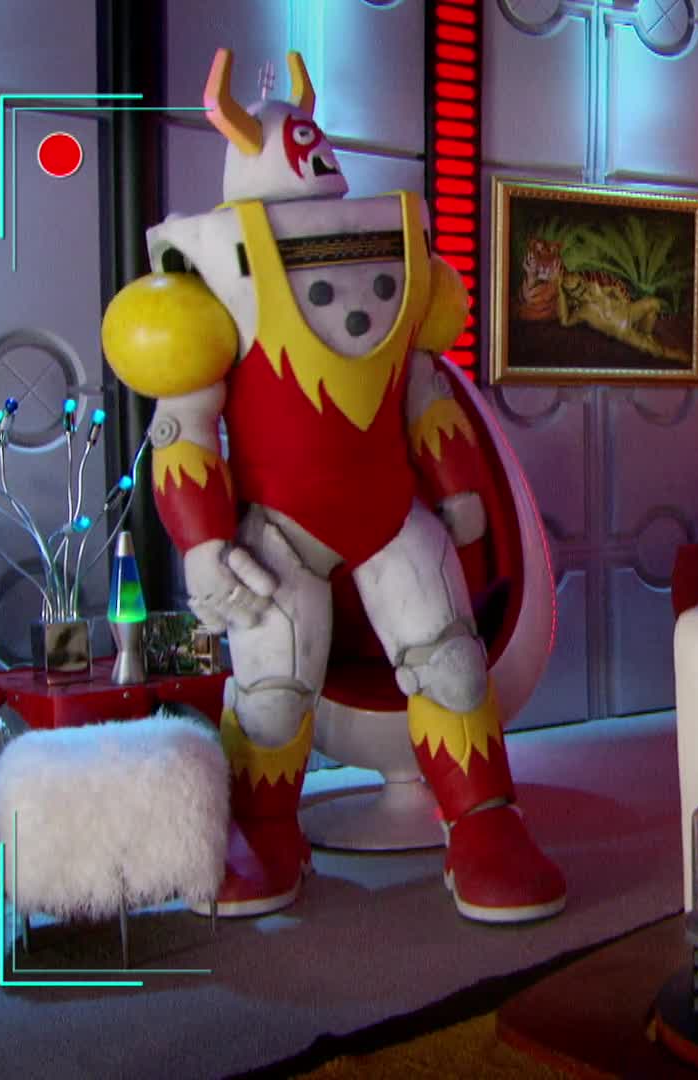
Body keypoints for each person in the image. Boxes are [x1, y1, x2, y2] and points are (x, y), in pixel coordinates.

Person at [100, 50, 565, 924]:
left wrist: (460, 494)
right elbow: (184, 426)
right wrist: (202, 545)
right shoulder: (210, 271)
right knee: (270, 691)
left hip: (390, 515)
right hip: (279, 530)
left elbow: (422, 391)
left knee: (452, 662)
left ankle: (484, 823)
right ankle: (263, 827)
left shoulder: (399, 252)